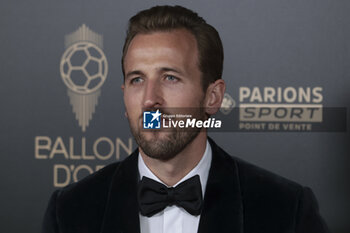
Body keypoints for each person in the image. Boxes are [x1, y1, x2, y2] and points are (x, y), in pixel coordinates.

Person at [42, 5, 330, 233]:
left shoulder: (286, 209)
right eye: (137, 79)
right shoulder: (70, 210)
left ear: (213, 97)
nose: (149, 99)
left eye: (170, 77)